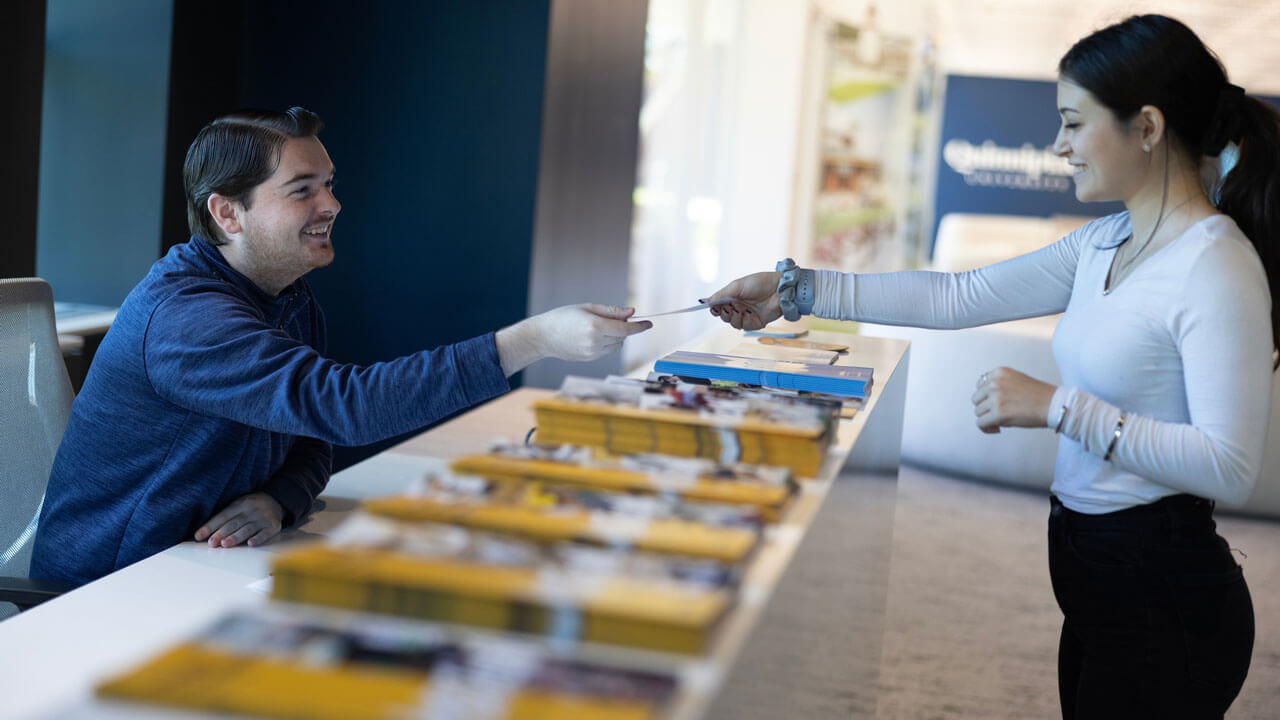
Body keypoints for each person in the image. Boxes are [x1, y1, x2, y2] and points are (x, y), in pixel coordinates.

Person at [706, 15, 1276, 719]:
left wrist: (1057, 405)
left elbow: (1230, 466)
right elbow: (958, 294)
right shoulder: (1109, 239)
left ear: (1148, 128)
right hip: (1099, 582)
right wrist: (795, 291)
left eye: (1073, 123)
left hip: (1168, 599)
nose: (1059, 145)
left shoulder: (1216, 264)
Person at [31, 107, 651, 587]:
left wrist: (280, 498)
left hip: (201, 563)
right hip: (111, 589)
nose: (332, 204)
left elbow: (312, 440)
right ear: (228, 213)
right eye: (302, 189)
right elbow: (343, 408)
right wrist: (533, 338)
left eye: (328, 184)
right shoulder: (184, 319)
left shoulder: (287, 298)